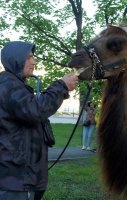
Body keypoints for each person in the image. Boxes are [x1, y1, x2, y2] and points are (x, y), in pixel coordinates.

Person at [0, 41, 78, 200]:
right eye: (29, 58)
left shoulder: (14, 85)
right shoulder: (8, 85)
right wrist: (61, 86)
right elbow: (35, 110)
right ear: (16, 59)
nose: (34, 62)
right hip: (15, 182)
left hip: (21, 178)